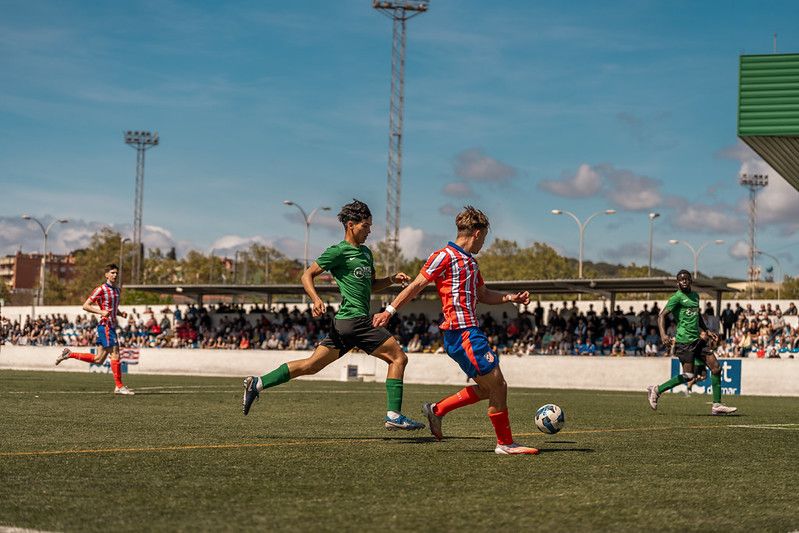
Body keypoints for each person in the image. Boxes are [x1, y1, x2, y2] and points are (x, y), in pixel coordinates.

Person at [241, 199, 424, 431]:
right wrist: (316, 299)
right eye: (365, 226)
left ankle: (257, 383)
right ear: (350, 225)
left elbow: (370, 285)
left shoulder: (366, 253)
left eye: (370, 226)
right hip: (355, 321)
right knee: (398, 358)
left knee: (311, 366)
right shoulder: (338, 251)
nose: (369, 231)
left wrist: (390, 279)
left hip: (346, 324)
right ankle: (394, 415)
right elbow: (307, 275)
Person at [373, 206, 538, 455]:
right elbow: (417, 285)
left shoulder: (471, 262)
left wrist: (510, 297)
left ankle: (437, 410)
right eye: (484, 237)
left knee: (488, 388)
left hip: (466, 333)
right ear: (477, 233)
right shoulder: (444, 256)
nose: (483, 243)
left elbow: (483, 294)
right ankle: (505, 444)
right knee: (498, 385)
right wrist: (389, 311)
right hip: (463, 333)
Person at [646, 270, 737, 415]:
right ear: (678, 283)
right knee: (688, 376)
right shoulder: (676, 297)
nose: (684, 281)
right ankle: (657, 390)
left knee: (716, 368)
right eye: (681, 279)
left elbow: (697, 315)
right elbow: (661, 316)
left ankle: (717, 405)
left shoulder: (695, 296)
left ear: (690, 281)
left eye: (686, 279)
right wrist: (663, 335)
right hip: (684, 342)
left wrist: (706, 330)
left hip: (697, 340)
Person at [55, 263, 134, 395]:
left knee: (99, 359)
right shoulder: (101, 289)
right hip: (106, 326)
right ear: (106, 275)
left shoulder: (117, 290)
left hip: (110, 326)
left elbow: (112, 307)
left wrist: (120, 313)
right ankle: (119, 386)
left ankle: (69, 354)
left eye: (116, 273)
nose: (115, 275)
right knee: (115, 353)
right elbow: (85, 306)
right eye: (112, 273)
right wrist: (101, 312)